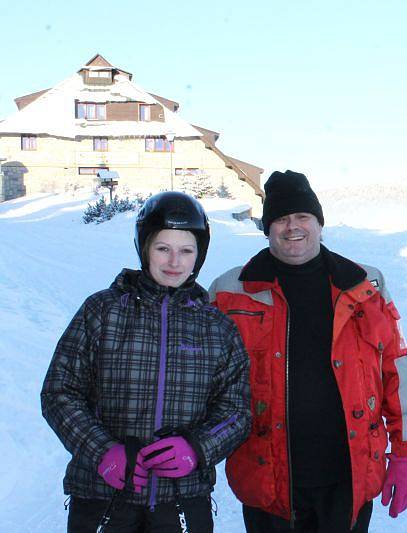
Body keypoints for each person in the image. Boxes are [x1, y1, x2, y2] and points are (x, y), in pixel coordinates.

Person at [209, 170, 407, 532]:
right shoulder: (231, 291)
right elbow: (201, 378)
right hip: (267, 477)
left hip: (348, 475)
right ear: (267, 228)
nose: (292, 226)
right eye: (280, 218)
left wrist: (405, 454)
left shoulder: (364, 285)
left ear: (319, 222)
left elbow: (397, 369)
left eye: (302, 216)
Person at [41, 191, 252, 533]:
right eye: (162, 248)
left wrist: (198, 448)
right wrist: (102, 451)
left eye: (186, 251)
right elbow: (59, 393)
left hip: (183, 502)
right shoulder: (102, 311)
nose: (174, 261)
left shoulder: (217, 327)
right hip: (102, 498)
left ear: (199, 255)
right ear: (144, 248)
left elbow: (237, 412)